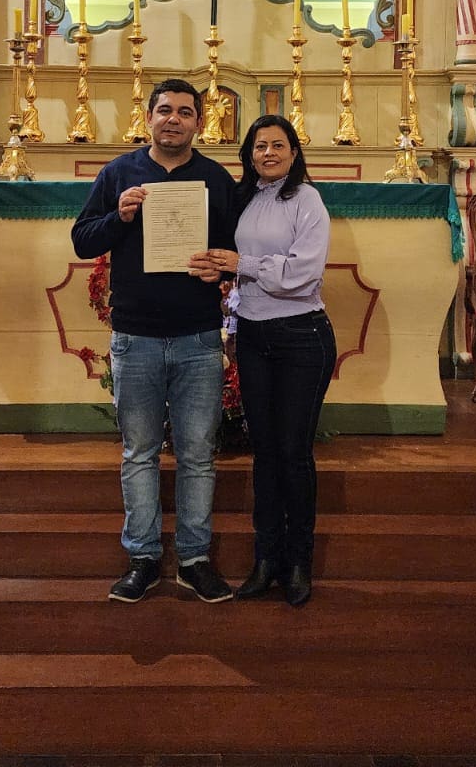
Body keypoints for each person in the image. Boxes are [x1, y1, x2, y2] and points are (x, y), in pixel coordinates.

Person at [71, 79, 238, 604]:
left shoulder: (216, 179)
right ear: (148, 117)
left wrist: (221, 269)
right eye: (165, 110)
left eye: (185, 112)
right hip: (136, 336)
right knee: (139, 453)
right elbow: (82, 239)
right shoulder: (118, 173)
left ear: (198, 123)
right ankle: (142, 558)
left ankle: (194, 559)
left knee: (197, 455)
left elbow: (235, 249)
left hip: (197, 337)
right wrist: (118, 217)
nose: (174, 119)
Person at [206, 114, 335, 607]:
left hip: (302, 335)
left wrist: (244, 265)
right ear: (249, 154)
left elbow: (304, 272)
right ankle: (265, 559)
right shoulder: (245, 199)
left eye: (278, 145)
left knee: (293, 451)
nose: (268, 154)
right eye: (260, 146)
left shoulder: (307, 200)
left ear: (294, 152)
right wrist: (231, 306)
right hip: (254, 335)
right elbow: (231, 268)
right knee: (264, 452)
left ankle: (298, 562)